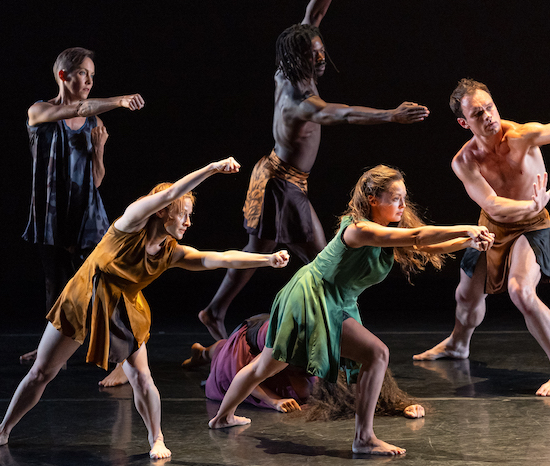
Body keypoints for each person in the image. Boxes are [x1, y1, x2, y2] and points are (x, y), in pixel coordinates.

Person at [0, 158, 291, 459]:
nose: (188, 222)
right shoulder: (130, 223)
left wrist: (266, 260)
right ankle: (3, 430)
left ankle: (157, 437)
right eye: (183, 214)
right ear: (162, 212)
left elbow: (219, 258)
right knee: (42, 372)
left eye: (190, 216)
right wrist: (212, 169)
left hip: (123, 309)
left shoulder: (172, 252)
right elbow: (169, 193)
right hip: (84, 297)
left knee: (142, 378)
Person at [199, 0, 430, 341]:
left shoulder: (292, 63)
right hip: (283, 185)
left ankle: (215, 312)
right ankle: (339, 332)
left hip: (281, 178)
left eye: (322, 50)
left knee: (258, 250)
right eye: (315, 54)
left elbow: (314, 12)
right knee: (326, 258)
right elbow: (342, 114)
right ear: (298, 58)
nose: (321, 57)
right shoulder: (300, 101)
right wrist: (392, 115)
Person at [209, 165, 493, 456]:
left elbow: (422, 245)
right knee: (366, 354)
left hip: (337, 299)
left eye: (404, 198)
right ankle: (363, 438)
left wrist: (469, 242)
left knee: (271, 365)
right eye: (396, 199)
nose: (402, 205)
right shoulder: (358, 230)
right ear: (373, 199)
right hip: (313, 295)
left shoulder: (386, 230)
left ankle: (222, 417)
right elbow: (419, 236)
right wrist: (467, 228)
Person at [413, 78, 550, 397]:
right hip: (491, 225)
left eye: (489, 107)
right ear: (463, 122)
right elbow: (492, 204)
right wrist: (528, 202)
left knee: (520, 290)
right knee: (466, 295)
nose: (488, 116)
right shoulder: (464, 161)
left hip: (532, 224)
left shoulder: (521, 135)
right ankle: (458, 343)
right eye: (477, 113)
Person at [20, 46, 145, 365]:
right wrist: (119, 100)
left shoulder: (93, 122)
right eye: (82, 74)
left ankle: (122, 360)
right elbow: (77, 108)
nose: (89, 80)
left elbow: (97, 180)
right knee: (56, 287)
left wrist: (100, 150)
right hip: (53, 216)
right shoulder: (39, 111)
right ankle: (48, 354)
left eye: (92, 75)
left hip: (88, 216)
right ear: (63, 75)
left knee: (107, 286)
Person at [185, 313, 425, 419]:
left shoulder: (331, 354)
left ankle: (203, 353)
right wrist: (273, 400)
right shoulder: (289, 347)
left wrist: (399, 406)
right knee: (225, 356)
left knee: (306, 389)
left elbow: (363, 382)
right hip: (254, 340)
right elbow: (248, 374)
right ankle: (204, 353)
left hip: (278, 340)